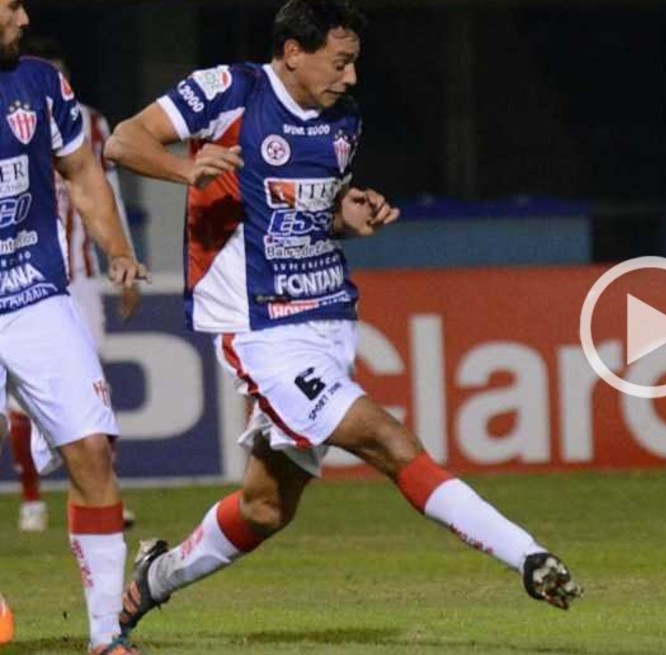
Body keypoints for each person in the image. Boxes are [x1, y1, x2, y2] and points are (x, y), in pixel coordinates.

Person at [104, 0, 581, 639]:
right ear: (293, 53)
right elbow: (124, 140)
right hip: (262, 328)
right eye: (341, 62)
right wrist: (186, 168)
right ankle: (527, 556)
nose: (351, 78)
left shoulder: (343, 121)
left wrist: (346, 220)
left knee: (266, 509)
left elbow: (302, 218)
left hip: (329, 318)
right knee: (387, 438)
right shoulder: (231, 90)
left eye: (354, 63)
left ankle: (151, 581)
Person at [0, 1, 150, 653]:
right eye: (9, 6)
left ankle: (103, 635)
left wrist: (117, 248)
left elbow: (83, 170)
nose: (24, 16)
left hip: (35, 292)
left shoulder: (39, 82)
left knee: (92, 448)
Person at [8, 35, 140, 533]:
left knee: (90, 395)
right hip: (25, 276)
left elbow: (105, 190)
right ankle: (32, 498)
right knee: (23, 404)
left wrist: (121, 252)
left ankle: (103, 491)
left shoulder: (89, 122)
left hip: (79, 277)